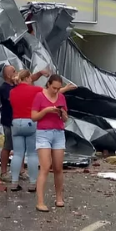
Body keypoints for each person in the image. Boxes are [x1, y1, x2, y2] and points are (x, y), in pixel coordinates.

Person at [0, 65, 50, 180]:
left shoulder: (15, 86)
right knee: (8, 146)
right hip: (9, 121)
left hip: (17, 121)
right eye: (13, 71)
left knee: (19, 148)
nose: (16, 73)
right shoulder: (5, 88)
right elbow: (18, 93)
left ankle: (20, 172)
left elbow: (29, 78)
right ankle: (3, 172)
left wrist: (40, 73)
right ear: (8, 75)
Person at [31, 74, 69, 212]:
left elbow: (65, 119)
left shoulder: (61, 97)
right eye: (54, 88)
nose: (56, 91)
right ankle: (40, 201)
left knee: (58, 167)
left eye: (58, 89)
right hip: (43, 133)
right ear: (48, 84)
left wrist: (62, 113)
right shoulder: (39, 96)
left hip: (58, 132)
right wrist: (46, 110)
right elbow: (34, 117)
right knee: (45, 167)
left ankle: (59, 197)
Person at [7, 70, 42, 191]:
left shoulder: (12, 92)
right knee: (32, 154)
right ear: (27, 78)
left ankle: (14, 182)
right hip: (31, 121)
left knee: (17, 154)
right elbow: (48, 95)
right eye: (30, 77)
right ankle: (33, 184)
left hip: (16, 122)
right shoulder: (36, 90)